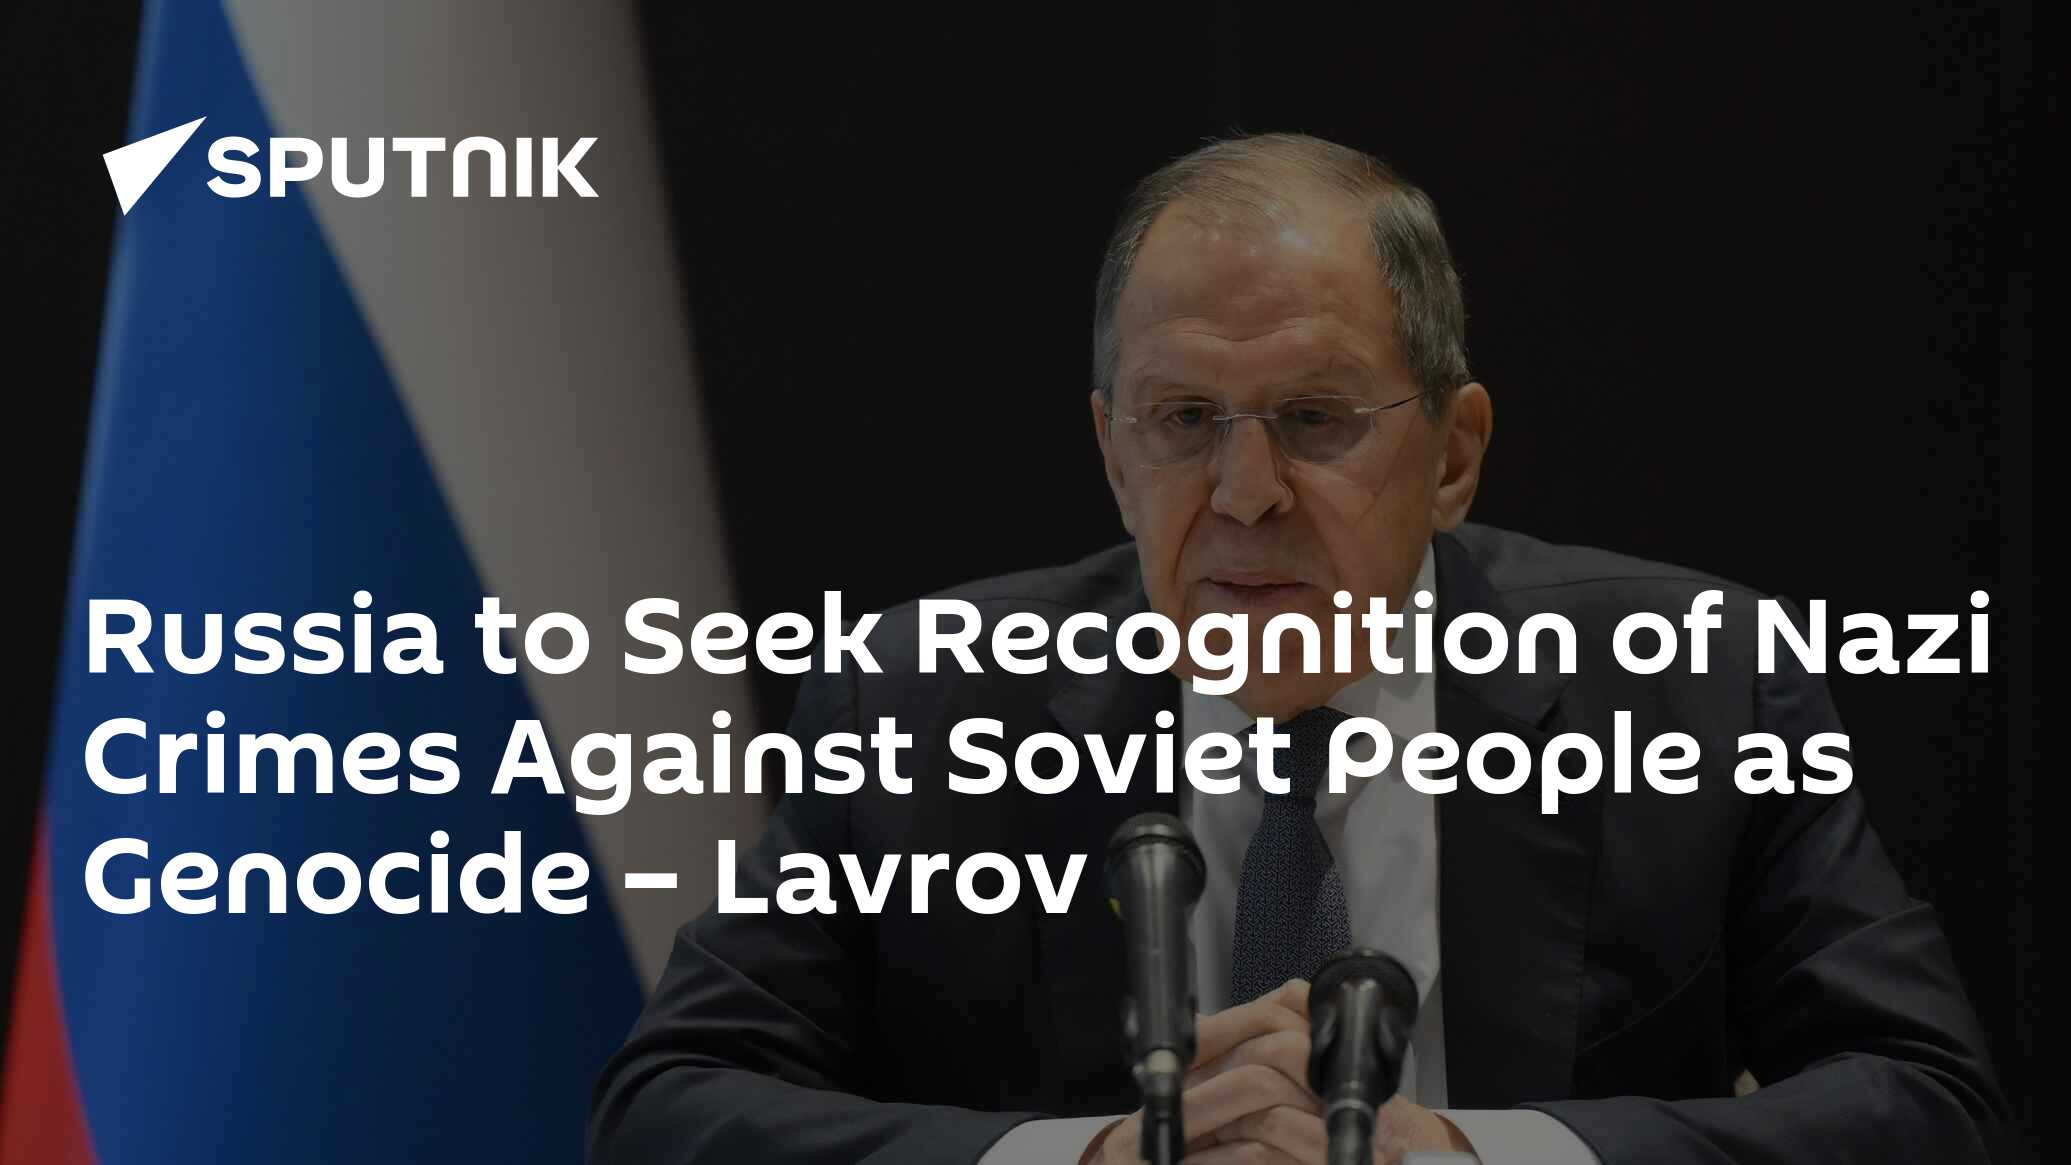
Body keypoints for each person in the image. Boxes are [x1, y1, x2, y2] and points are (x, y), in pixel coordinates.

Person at [587, 133, 2002, 1163]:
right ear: (1111, 454)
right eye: (1183, 422)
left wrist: (1473, 1156)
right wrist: (1087, 1161)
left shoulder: (1690, 679)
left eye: (1316, 419)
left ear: (1454, 455)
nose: (1246, 491)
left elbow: (1930, 1099)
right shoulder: (922, 700)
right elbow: (669, 1106)